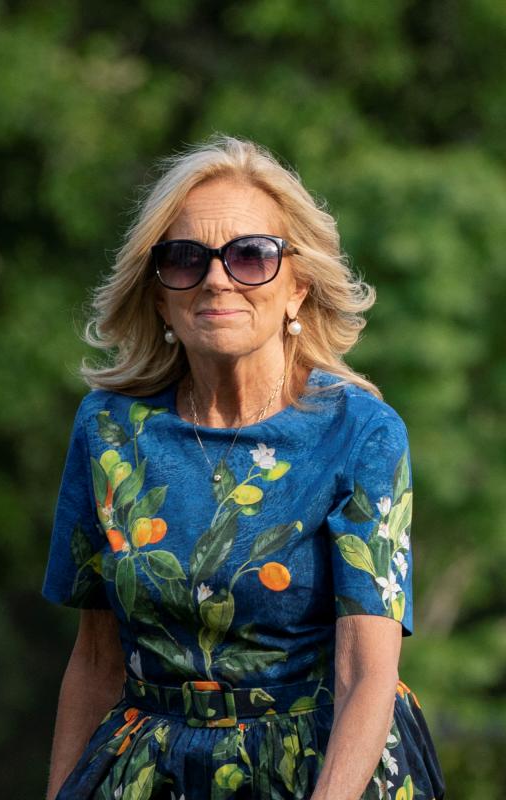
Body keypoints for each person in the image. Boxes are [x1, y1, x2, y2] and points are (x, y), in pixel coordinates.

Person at [43, 136, 444, 799]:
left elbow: (365, 676)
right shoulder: (108, 430)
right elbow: (94, 660)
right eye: (184, 258)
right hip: (152, 774)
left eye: (251, 255)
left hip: (323, 769)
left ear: (298, 288)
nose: (217, 279)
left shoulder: (361, 433)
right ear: (160, 296)